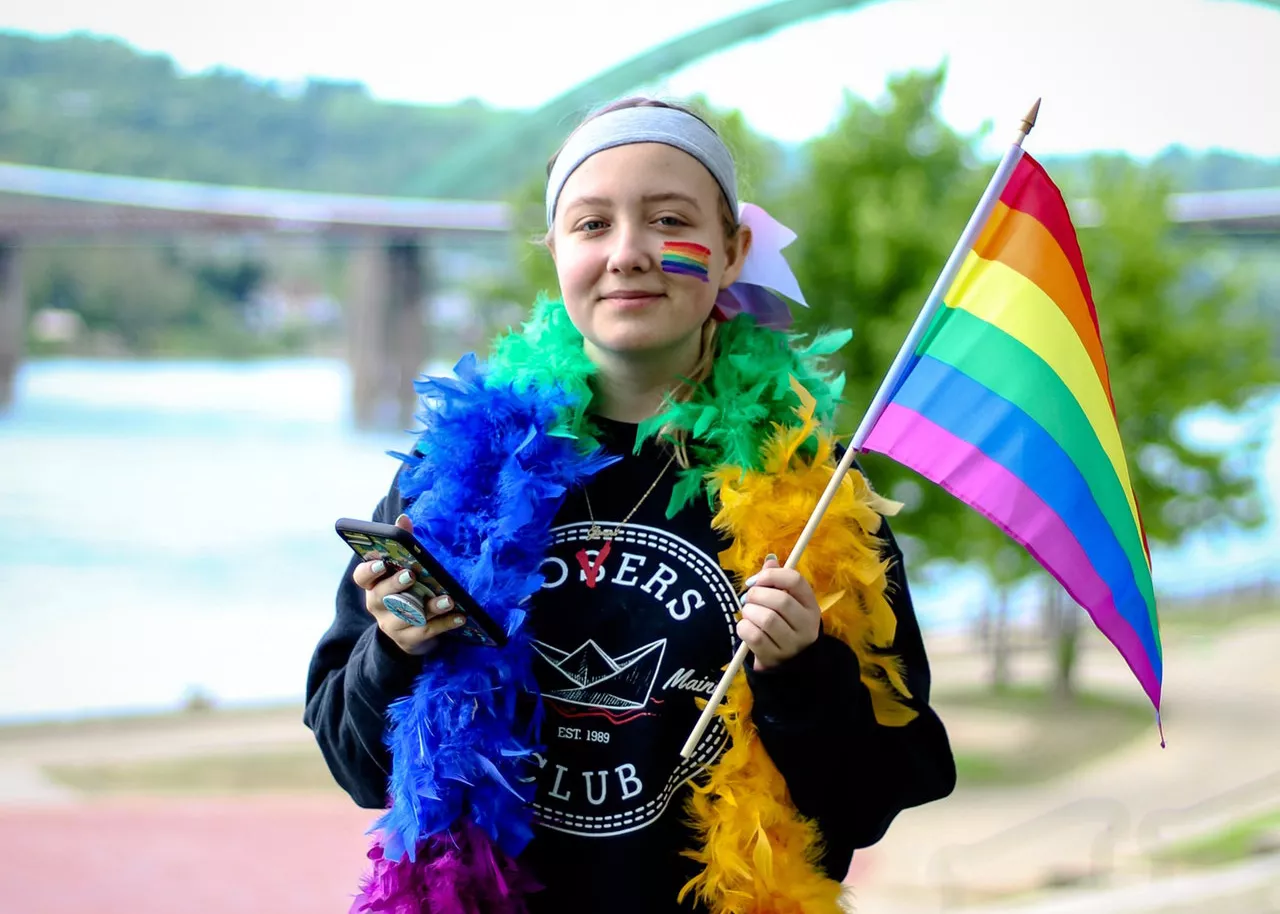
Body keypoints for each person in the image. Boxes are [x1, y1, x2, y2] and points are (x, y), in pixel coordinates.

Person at [305, 97, 956, 914]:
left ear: (733, 250)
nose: (628, 253)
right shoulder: (450, 478)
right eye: (591, 224)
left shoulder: (817, 498)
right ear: (555, 253)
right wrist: (395, 652)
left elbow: (872, 802)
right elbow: (357, 768)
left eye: (668, 219)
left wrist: (801, 672)